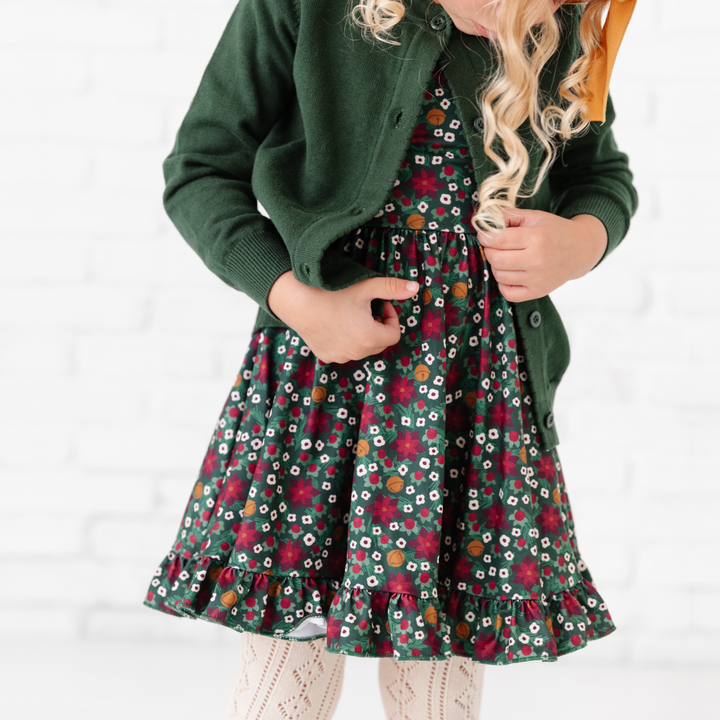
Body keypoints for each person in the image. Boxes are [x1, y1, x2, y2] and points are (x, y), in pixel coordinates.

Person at [143, 1, 638, 718]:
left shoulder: (555, 28)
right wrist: (297, 301)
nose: (506, 14)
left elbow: (604, 175)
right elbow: (199, 169)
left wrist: (580, 241)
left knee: (448, 638)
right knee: (291, 631)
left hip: (473, 391)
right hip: (322, 378)